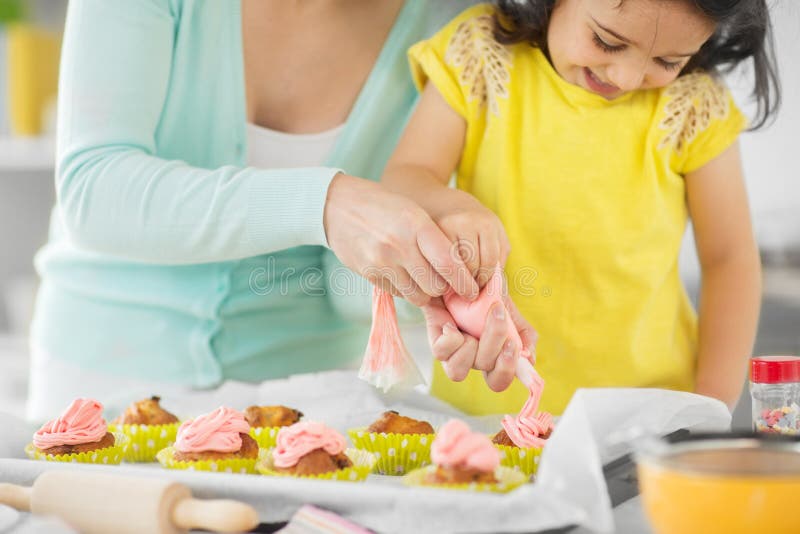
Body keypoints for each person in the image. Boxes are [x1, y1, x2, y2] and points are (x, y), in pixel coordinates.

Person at [28, 0, 518, 420]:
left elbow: (342, 287)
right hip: (101, 382)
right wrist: (325, 204)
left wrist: (433, 282)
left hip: (308, 404)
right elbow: (94, 190)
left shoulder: (442, 27)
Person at [384, 0, 779, 415]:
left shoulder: (694, 103)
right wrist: (451, 206)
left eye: (668, 60)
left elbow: (728, 258)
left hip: (643, 417)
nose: (626, 77)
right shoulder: (480, 53)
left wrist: (711, 405)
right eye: (607, 41)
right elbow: (406, 176)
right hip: (481, 411)